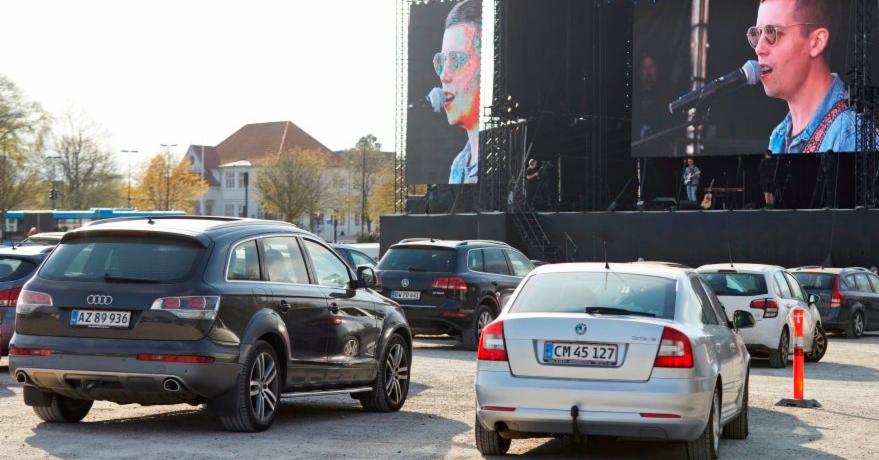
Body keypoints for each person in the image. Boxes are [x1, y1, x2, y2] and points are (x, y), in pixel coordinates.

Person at [750, 0, 858, 154]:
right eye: (757, 34)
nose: (759, 48)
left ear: (816, 42)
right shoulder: (778, 136)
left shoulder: (849, 137)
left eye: (772, 32)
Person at [435, 0, 481, 184]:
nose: (444, 76)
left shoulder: (513, 160)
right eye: (441, 60)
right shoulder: (458, 164)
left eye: (456, 59)